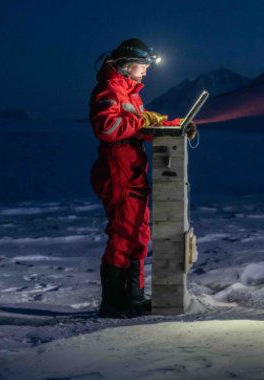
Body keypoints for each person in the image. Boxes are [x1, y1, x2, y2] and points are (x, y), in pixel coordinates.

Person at [89, 38, 196, 318]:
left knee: (138, 234)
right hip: (118, 172)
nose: (146, 71)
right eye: (142, 66)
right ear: (126, 65)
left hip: (133, 172)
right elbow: (108, 128)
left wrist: (173, 126)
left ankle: (132, 297)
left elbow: (136, 127)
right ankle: (113, 302)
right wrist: (145, 121)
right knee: (123, 235)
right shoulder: (110, 90)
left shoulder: (130, 93)